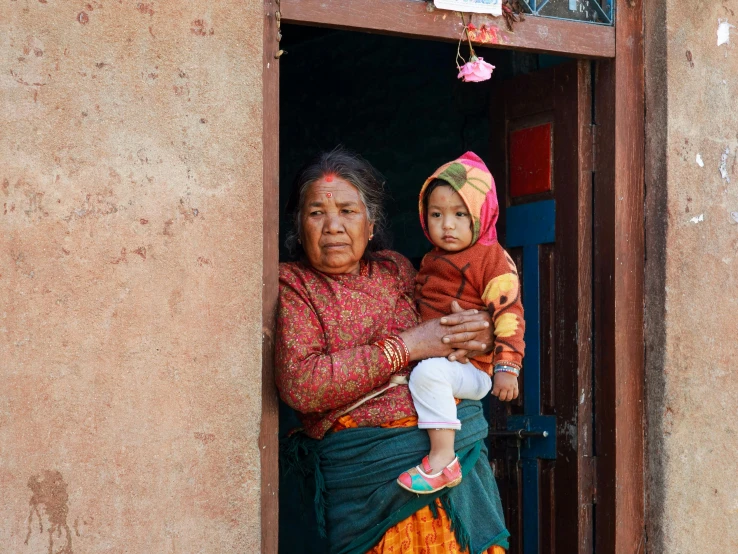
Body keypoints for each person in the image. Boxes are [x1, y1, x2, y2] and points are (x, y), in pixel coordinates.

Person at [276, 147, 510, 554]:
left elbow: (449, 322)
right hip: (371, 481)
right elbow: (302, 384)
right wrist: (407, 346)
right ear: (298, 226)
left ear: (371, 225)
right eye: (316, 213)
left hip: (455, 466)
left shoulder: (398, 269)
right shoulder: (292, 285)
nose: (332, 226)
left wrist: (482, 334)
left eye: (348, 211)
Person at [397, 152, 525, 495]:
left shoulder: (492, 259)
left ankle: (442, 461)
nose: (447, 225)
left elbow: (510, 313)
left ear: (482, 215)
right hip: (443, 362)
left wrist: (507, 368)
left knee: (428, 374)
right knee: (423, 373)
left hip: (475, 370)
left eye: (459, 214)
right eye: (436, 215)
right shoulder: (432, 259)